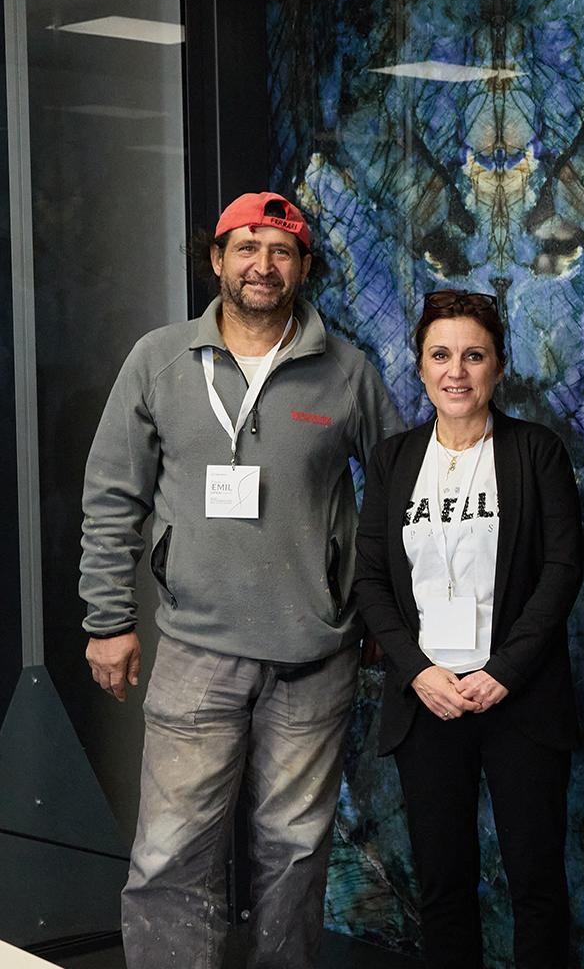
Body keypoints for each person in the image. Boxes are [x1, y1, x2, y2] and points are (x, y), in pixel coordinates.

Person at [78, 191, 403, 968]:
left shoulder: (348, 372)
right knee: (169, 853)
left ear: (304, 267)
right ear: (217, 259)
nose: (264, 265)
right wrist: (108, 620)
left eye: (282, 250)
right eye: (247, 248)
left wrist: (379, 613)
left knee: (295, 854)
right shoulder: (158, 359)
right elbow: (112, 494)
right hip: (196, 649)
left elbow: (399, 496)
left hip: (313, 657)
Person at [351, 289, 581, 967]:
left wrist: (504, 671)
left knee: (536, 882)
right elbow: (371, 580)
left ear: (499, 367)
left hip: (519, 698)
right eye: (441, 355)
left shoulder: (536, 452)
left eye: (474, 356)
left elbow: (562, 570)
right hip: (429, 701)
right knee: (444, 885)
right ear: (420, 367)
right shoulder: (393, 461)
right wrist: (418, 672)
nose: (457, 371)